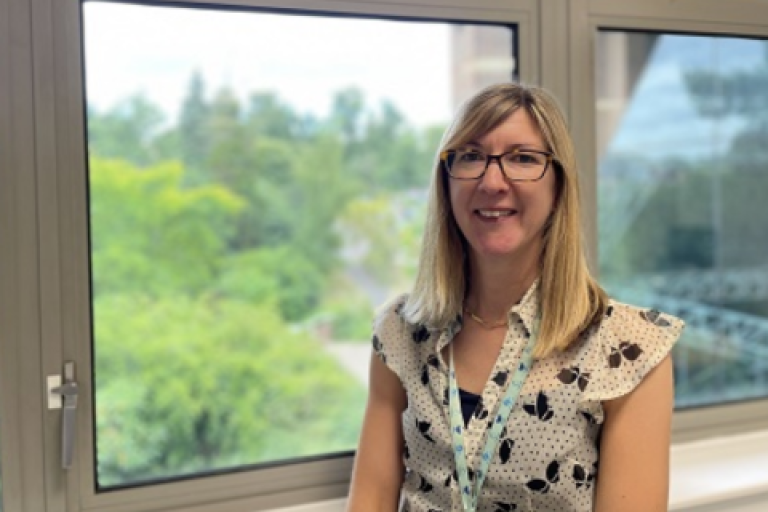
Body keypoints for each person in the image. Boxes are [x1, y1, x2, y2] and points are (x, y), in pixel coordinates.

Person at [345, 82, 684, 512]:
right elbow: (369, 500)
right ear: (445, 183)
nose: (492, 181)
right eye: (470, 156)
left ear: (558, 185)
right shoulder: (400, 331)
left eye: (523, 159)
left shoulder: (629, 350)